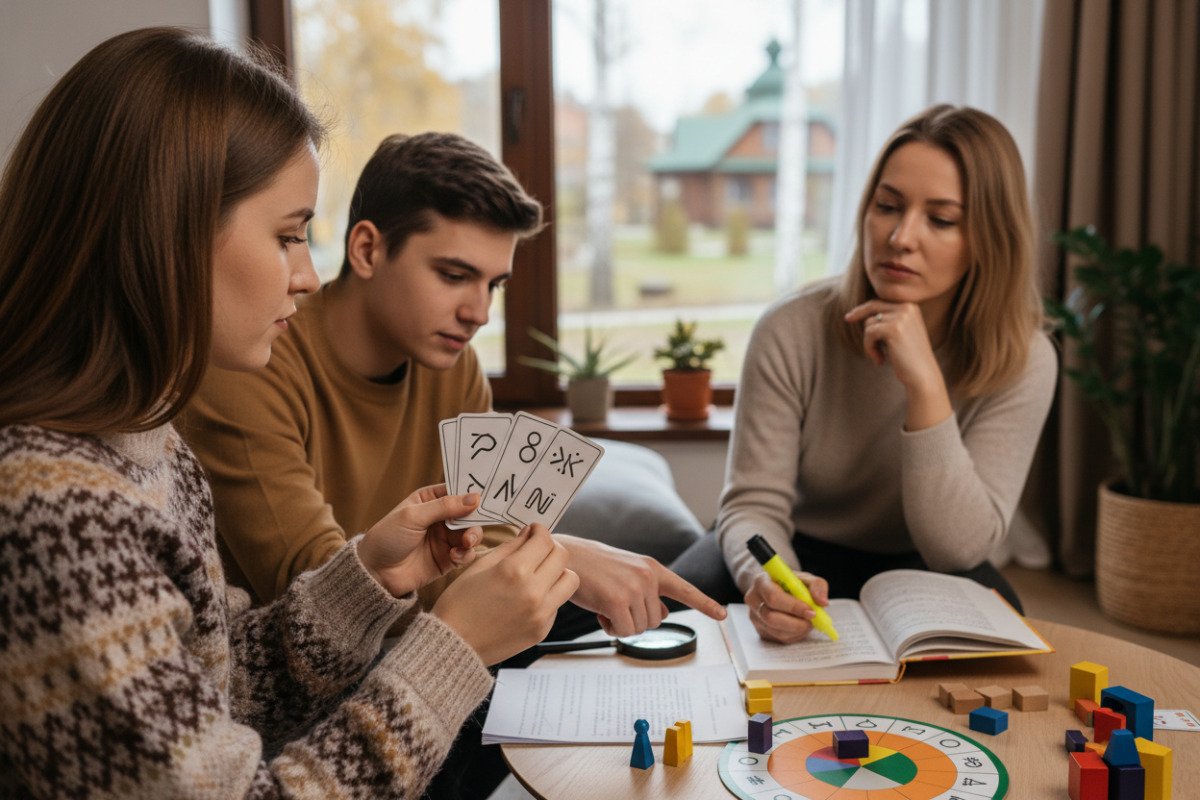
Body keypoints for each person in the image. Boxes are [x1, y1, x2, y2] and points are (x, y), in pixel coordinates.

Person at [0, 27, 578, 799]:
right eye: (287, 235)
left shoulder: (145, 441)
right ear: (164, 230)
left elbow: (206, 688)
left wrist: (364, 581)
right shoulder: (55, 510)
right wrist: (454, 648)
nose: (306, 274)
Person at [179, 132, 725, 639]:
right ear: (367, 250)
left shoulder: (454, 365)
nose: (480, 312)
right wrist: (564, 557)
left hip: (434, 652)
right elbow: (321, 594)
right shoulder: (248, 359)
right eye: (455, 275)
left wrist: (533, 562)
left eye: (495, 284)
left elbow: (487, 541)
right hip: (302, 689)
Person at [674, 104, 1057, 645]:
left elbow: (959, 549)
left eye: (941, 219)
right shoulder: (791, 328)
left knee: (1007, 621)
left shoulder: (1025, 357)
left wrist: (924, 386)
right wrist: (768, 578)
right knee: (678, 610)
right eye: (887, 206)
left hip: (924, 562)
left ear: (990, 239)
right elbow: (753, 503)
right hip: (791, 546)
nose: (901, 236)